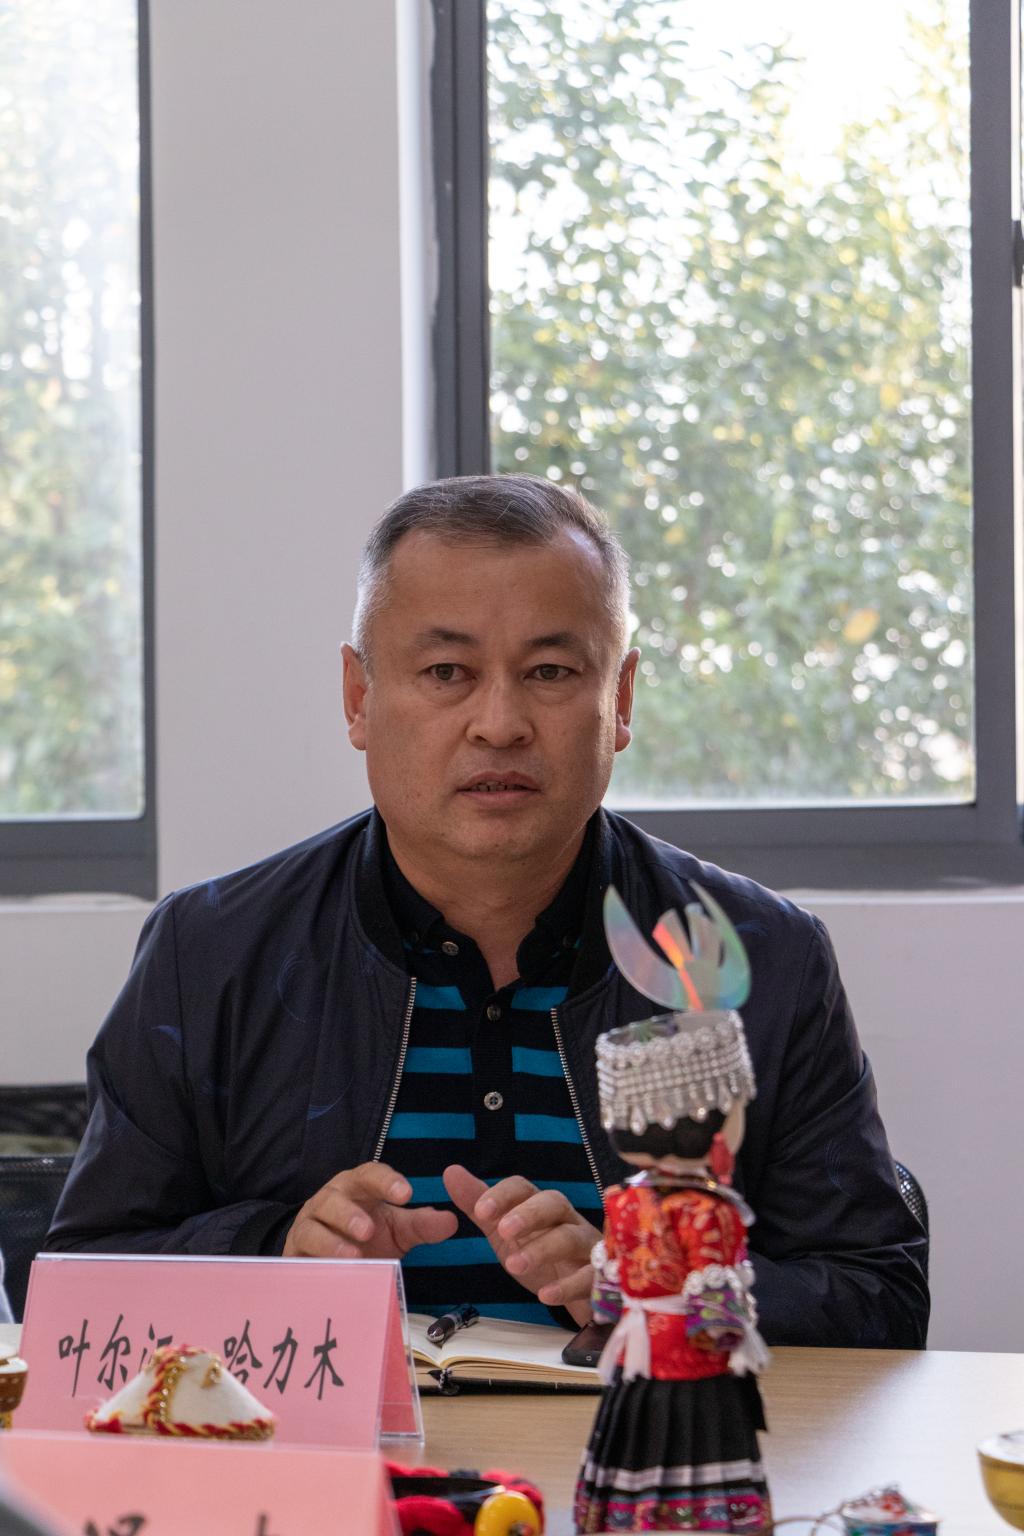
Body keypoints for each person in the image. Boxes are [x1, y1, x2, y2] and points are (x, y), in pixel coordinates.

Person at [45, 474, 929, 1346]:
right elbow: (79, 1286)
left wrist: (647, 1284)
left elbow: (877, 1296)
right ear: (358, 698)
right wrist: (279, 1254)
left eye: (549, 671)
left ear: (620, 700)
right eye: (446, 672)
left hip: (636, 1438)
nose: (499, 723)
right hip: (347, 1439)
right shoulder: (210, 953)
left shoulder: (760, 957)